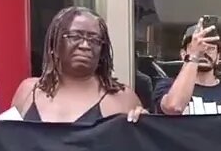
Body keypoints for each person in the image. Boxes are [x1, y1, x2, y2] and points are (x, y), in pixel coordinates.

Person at [9, 7, 145, 124]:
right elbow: (8, 143)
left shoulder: (122, 98)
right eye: (75, 37)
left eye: (94, 39)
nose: (85, 45)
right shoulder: (28, 91)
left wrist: (145, 123)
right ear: (54, 44)